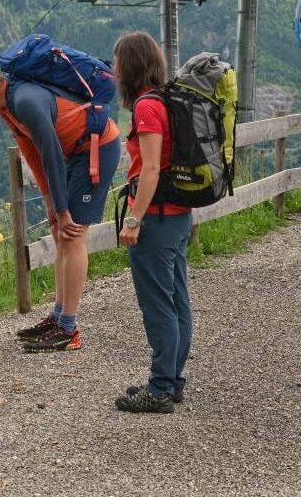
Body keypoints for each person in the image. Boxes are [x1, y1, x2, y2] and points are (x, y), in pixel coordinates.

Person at [0, 59, 120, 352]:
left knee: (72, 234)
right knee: (60, 233)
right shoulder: (6, 105)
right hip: (75, 153)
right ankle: (58, 317)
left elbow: (51, 154)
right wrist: (49, 201)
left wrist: (62, 210)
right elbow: (32, 152)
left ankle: (68, 329)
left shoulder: (25, 101)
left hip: (95, 149)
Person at [112, 31, 193, 414]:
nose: (113, 71)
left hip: (156, 220)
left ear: (130, 66)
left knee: (158, 305)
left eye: (116, 64)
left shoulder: (146, 107)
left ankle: (159, 389)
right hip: (178, 217)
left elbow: (150, 170)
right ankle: (172, 379)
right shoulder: (167, 100)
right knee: (177, 302)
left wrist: (133, 219)